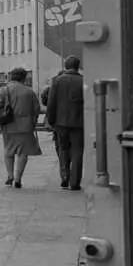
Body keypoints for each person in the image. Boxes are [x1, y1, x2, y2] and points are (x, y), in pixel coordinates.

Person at [0, 66, 43, 189]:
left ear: (11, 77)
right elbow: (37, 109)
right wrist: (33, 121)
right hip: (26, 127)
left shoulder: (4, 90)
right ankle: (18, 179)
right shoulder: (29, 92)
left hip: (8, 126)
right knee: (23, 153)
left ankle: (10, 176)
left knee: (8, 151)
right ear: (24, 78)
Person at [46, 55, 85, 190]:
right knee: (77, 151)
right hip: (79, 122)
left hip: (60, 122)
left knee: (63, 149)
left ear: (66, 66)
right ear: (78, 66)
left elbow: (51, 102)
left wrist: (51, 120)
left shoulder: (57, 81)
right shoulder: (83, 81)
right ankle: (75, 182)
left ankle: (64, 176)